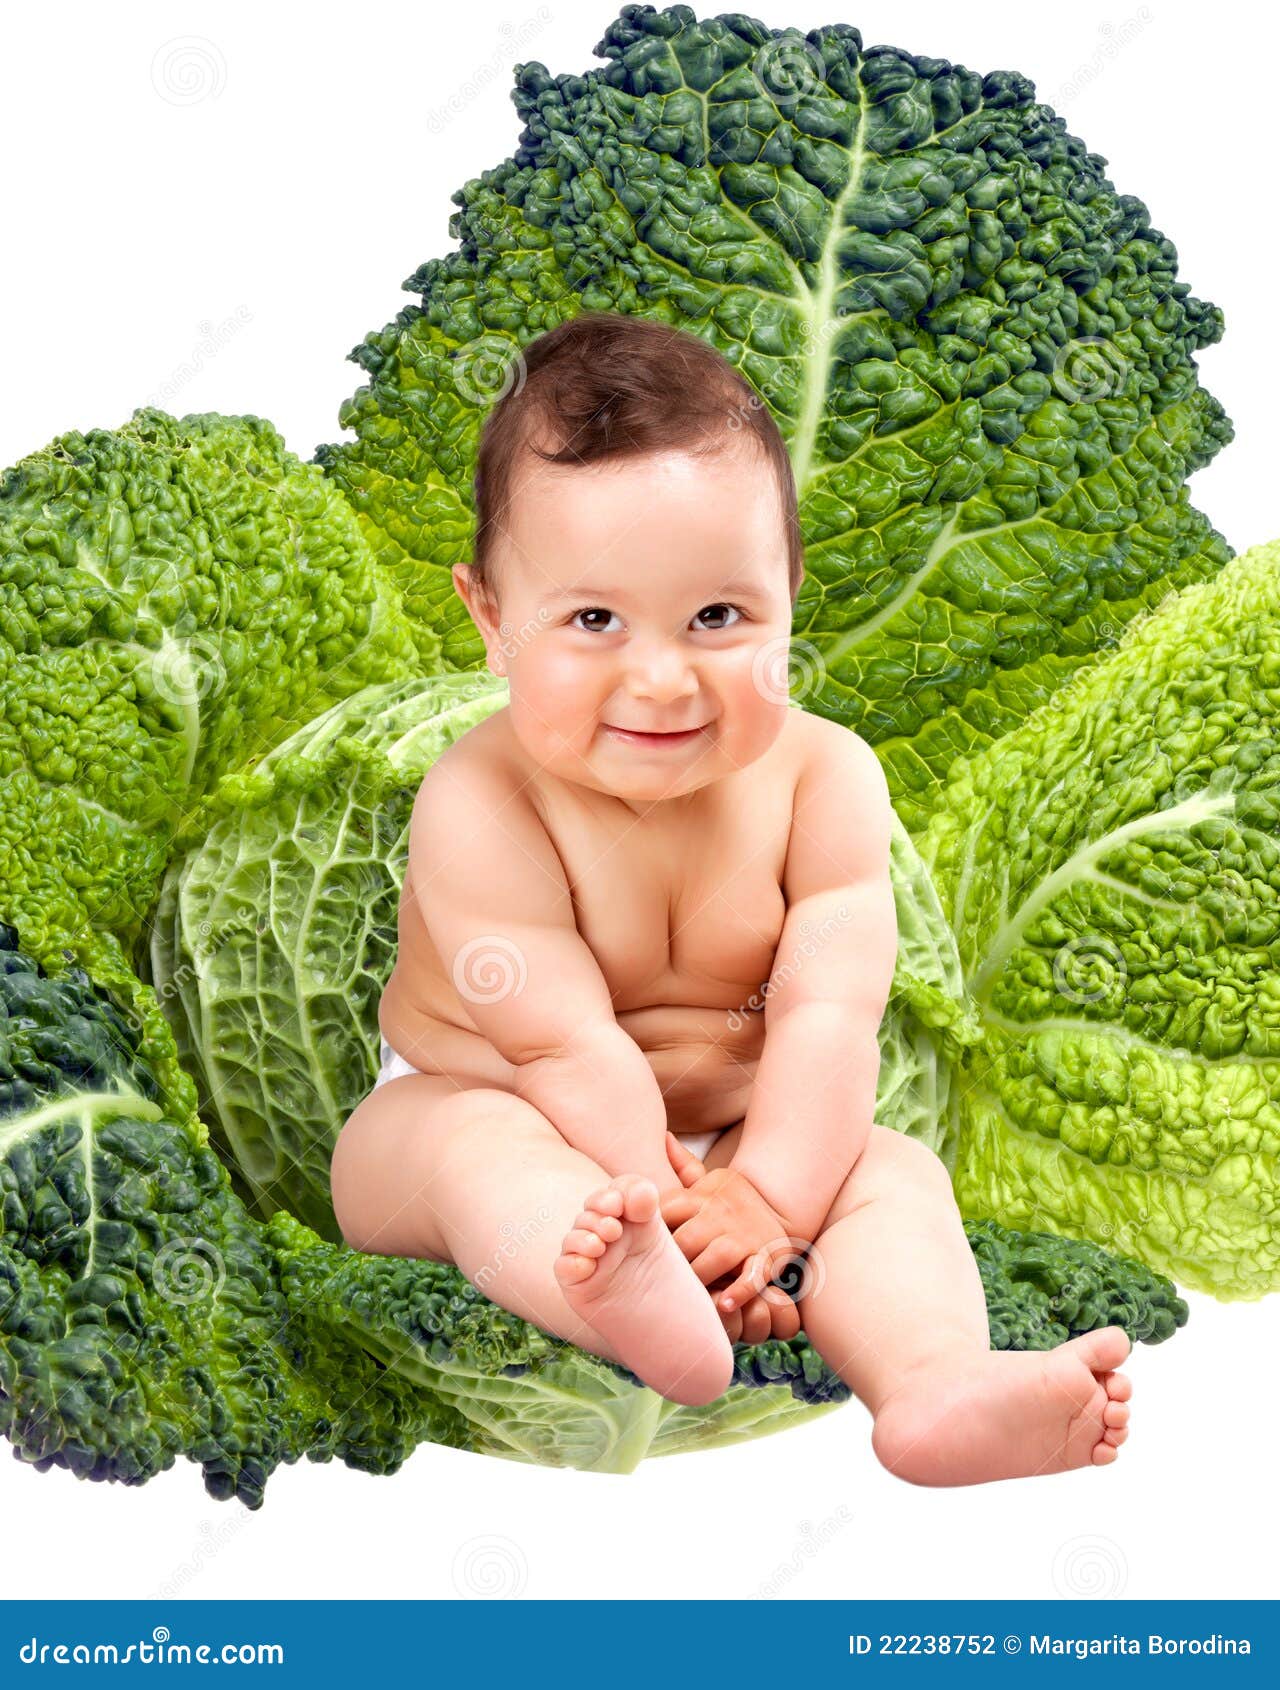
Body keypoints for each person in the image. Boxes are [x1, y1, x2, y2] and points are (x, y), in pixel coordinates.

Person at [329, 313, 1132, 1485]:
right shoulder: (478, 797)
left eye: (718, 617)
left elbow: (826, 1016)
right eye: (592, 620)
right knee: (455, 1152)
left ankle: (928, 1382)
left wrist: (767, 1197)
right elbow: (556, 1041)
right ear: (490, 617)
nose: (660, 678)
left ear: (791, 595)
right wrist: (667, 1207)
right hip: (505, 1098)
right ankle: (622, 1286)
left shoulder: (825, 776)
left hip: (757, 1132)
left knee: (894, 1173)